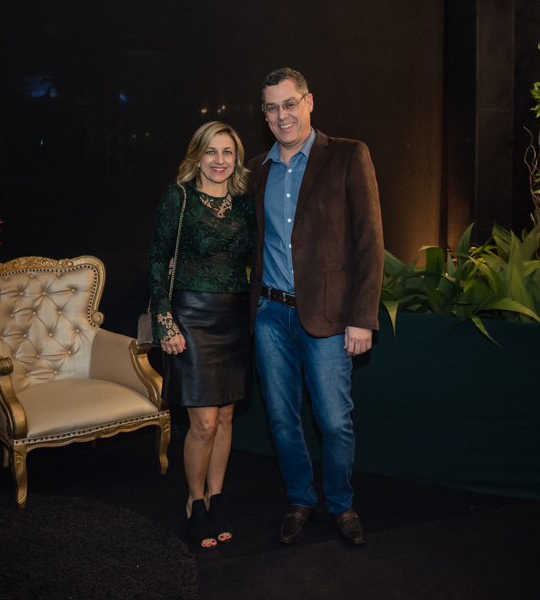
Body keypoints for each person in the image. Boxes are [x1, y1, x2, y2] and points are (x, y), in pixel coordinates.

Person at [247, 68, 383, 545]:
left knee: (333, 422)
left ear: (308, 102)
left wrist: (362, 319)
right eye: (271, 108)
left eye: (289, 103)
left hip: (329, 319)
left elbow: (369, 242)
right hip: (270, 316)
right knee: (281, 420)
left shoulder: (348, 155)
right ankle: (301, 499)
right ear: (264, 115)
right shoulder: (256, 170)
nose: (281, 115)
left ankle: (341, 504)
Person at [147, 121, 255, 549]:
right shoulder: (178, 198)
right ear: (197, 155)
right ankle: (194, 501)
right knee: (204, 422)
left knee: (226, 416)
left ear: (237, 159)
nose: (219, 160)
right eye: (211, 151)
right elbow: (158, 259)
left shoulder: (245, 203)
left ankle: (216, 497)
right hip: (190, 317)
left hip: (235, 317)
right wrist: (163, 319)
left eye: (227, 152)